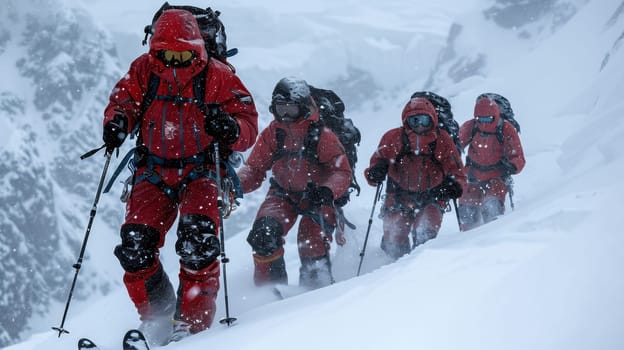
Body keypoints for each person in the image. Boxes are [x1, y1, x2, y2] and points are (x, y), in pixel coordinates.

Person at [101, 9, 258, 344]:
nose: (175, 60)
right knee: (135, 247)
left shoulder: (218, 76)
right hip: (152, 170)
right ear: (155, 48)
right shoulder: (144, 70)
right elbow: (123, 100)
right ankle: (157, 317)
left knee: (198, 243)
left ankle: (192, 327)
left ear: (198, 49)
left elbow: (247, 120)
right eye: (167, 53)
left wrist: (231, 128)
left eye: (183, 53)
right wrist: (117, 122)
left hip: (202, 172)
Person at [237, 77, 352, 290]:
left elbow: (342, 171)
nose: (284, 115)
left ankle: (316, 295)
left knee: (311, 240)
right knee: (264, 234)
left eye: (290, 109)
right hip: (283, 193)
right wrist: (234, 184)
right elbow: (254, 168)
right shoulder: (274, 132)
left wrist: (327, 191)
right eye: (280, 109)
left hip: (318, 196)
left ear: (303, 107)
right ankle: (269, 298)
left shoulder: (321, 134)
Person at [364, 97, 466, 260]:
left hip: (432, 197)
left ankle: (419, 274)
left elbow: (457, 172)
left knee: (425, 237)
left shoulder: (443, 139)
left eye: (424, 120)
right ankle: (388, 275)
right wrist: (375, 172)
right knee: (393, 239)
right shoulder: (392, 138)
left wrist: (454, 185)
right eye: (414, 120)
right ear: (406, 120)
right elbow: (375, 166)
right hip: (398, 197)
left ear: (432, 120)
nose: (419, 125)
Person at [457, 95, 525, 231]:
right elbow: (455, 147)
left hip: (497, 176)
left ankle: (492, 239)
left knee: (492, 207)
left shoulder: (506, 128)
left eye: (488, 119)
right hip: (472, 175)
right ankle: (466, 241)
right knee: (466, 212)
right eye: (479, 119)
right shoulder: (471, 126)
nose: (484, 123)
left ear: (495, 115)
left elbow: (518, 157)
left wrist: (512, 166)